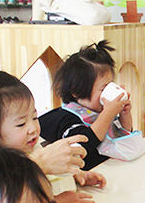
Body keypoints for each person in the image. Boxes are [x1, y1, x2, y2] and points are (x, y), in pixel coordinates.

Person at [0, 69, 106, 203]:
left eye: (34, 117)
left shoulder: (30, 147)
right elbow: (5, 202)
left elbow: (50, 173)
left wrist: (76, 175)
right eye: (21, 124)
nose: (33, 128)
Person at [39, 40, 133, 170]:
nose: (108, 92)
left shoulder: (98, 111)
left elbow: (123, 135)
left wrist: (124, 114)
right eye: (103, 88)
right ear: (77, 91)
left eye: (111, 84)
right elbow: (85, 144)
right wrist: (108, 113)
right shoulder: (67, 118)